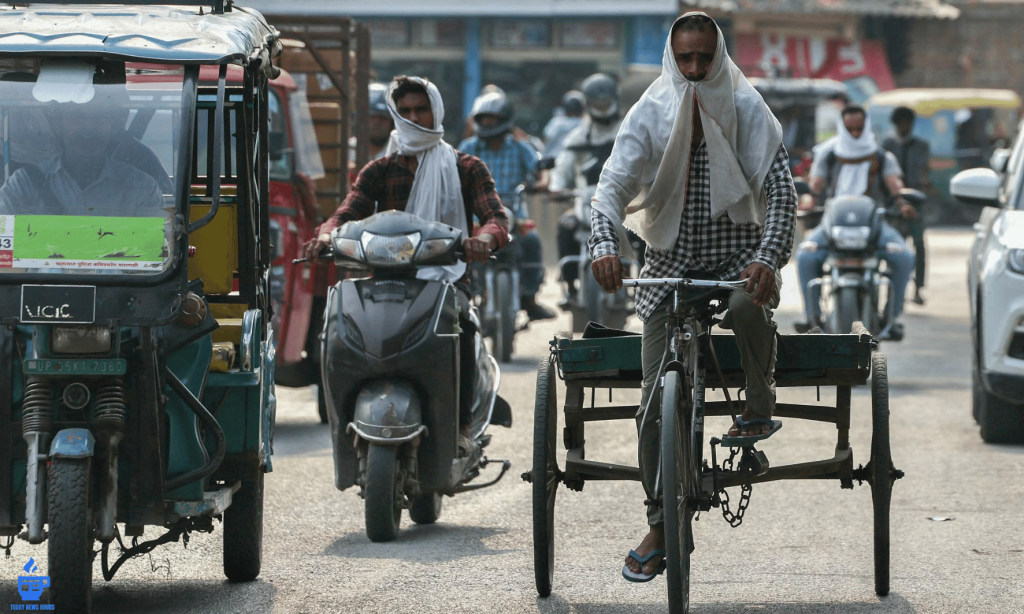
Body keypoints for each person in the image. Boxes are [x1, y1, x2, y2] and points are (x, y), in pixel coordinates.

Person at [587, 13, 796, 582]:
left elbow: (781, 195)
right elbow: (610, 190)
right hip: (668, 266)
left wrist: (767, 258)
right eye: (686, 59)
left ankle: (759, 405)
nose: (697, 69)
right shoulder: (649, 112)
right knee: (653, 406)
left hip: (738, 262)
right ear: (672, 59)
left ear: (719, 56)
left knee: (749, 303)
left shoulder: (748, 109)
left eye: (705, 58)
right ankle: (660, 523)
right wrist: (604, 245)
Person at [302, 75, 509, 456]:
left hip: (447, 281)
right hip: (384, 283)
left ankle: (462, 425)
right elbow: (346, 214)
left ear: (436, 111)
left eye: (421, 109)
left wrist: (484, 239)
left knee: (461, 328)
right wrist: (326, 237)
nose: (413, 117)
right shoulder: (379, 170)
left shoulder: (466, 167)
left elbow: (495, 216)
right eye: (406, 111)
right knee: (341, 328)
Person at [794, 105, 916, 337]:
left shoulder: (882, 157)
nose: (856, 134)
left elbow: (895, 184)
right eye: (850, 129)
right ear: (842, 127)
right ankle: (812, 317)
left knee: (904, 257)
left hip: (874, 222)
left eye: (860, 128)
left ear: (866, 126)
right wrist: (808, 201)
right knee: (805, 256)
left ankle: (891, 317)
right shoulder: (829, 154)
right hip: (833, 222)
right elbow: (815, 185)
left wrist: (903, 203)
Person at [0, 67, 163, 217]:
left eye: (99, 117)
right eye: (79, 116)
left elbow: (158, 237)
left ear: (112, 126)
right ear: (58, 124)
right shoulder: (23, 185)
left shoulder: (142, 188)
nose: (89, 126)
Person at [458, 91, 556, 321]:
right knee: (461, 246)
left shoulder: (520, 147)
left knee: (532, 242)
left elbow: (539, 170)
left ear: (504, 120)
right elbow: (453, 172)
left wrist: (542, 183)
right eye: (483, 119)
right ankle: (464, 297)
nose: (487, 123)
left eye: (492, 119)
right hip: (477, 217)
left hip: (515, 214)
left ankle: (530, 299)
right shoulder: (469, 147)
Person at [550, 73, 626, 307]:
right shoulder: (578, 136)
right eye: (597, 104)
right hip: (585, 200)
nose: (602, 109)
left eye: (606, 103)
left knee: (642, 232)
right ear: (588, 105)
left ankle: (648, 282)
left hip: (625, 204)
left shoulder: (628, 130)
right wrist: (556, 187)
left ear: (615, 101)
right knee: (566, 227)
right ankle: (570, 287)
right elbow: (562, 167)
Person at [882, 105, 930, 305]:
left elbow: (923, 172)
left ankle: (918, 288)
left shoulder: (921, 146)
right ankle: (894, 290)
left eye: (907, 123)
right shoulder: (886, 145)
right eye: (901, 124)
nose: (905, 127)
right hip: (893, 204)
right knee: (895, 247)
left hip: (916, 202)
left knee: (918, 245)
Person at [542, 90, 585, 158]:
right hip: (572, 160)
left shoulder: (557, 121)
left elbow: (546, 139)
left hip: (552, 158)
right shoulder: (584, 123)